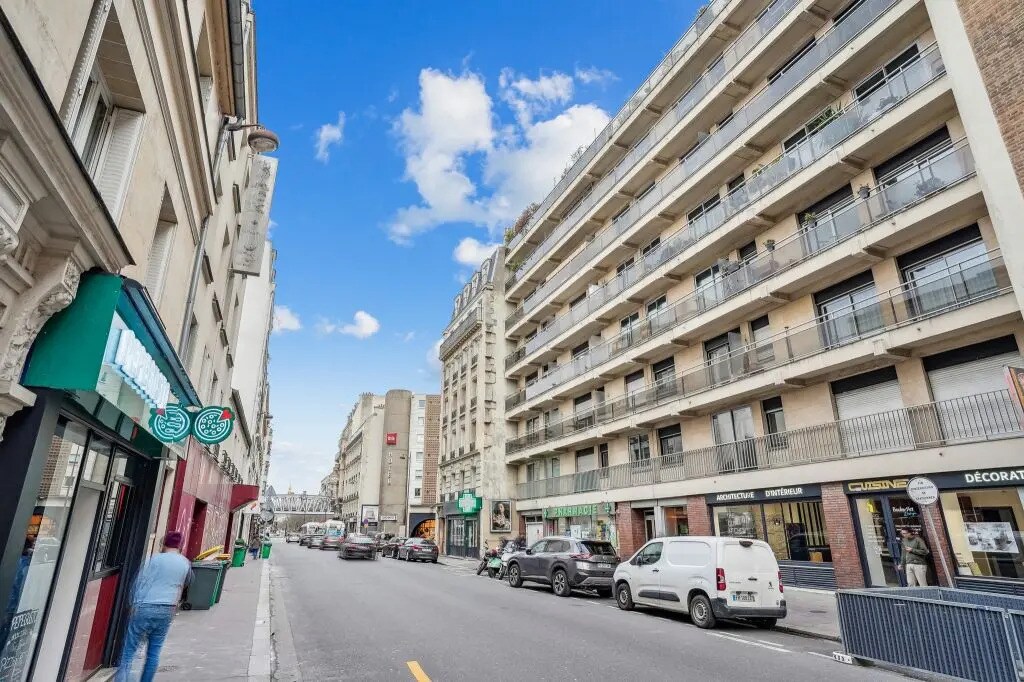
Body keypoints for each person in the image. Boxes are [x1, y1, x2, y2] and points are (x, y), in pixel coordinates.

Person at [116, 531, 192, 682]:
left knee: (129, 651)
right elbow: (184, 584)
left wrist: (133, 603)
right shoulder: (185, 563)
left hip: (145, 606)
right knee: (154, 653)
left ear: (164, 544)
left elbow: (140, 581)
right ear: (179, 546)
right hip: (167, 609)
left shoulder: (154, 559)